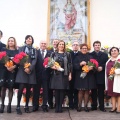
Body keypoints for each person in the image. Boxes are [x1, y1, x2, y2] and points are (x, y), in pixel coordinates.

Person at [15, 35, 37, 115]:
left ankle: (27, 106)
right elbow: (18, 58)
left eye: (30, 38)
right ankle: (18, 106)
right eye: (27, 38)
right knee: (20, 89)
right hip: (22, 71)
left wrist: (30, 68)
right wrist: (25, 67)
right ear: (25, 40)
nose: (28, 39)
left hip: (30, 72)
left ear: (32, 40)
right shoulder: (21, 48)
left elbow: (35, 60)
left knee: (28, 90)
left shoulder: (34, 50)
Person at [50, 40, 72, 113]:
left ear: (64, 46)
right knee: (56, 91)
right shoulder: (53, 53)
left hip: (64, 74)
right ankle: (57, 106)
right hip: (56, 74)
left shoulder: (67, 54)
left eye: (63, 44)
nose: (61, 45)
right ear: (57, 45)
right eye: (60, 44)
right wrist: (52, 67)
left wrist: (70, 74)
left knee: (62, 90)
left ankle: (60, 107)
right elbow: (50, 63)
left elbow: (70, 64)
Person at [74, 44, 96, 112]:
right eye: (83, 48)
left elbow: (95, 65)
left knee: (87, 91)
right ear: (80, 49)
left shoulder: (91, 56)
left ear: (87, 49)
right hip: (80, 76)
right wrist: (80, 64)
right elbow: (74, 66)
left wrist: (92, 68)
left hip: (89, 76)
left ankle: (86, 106)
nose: (84, 49)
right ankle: (79, 106)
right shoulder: (77, 57)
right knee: (80, 91)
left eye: (86, 48)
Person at [0, 37, 18, 113]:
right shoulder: (4, 50)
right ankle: (2, 105)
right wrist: (7, 66)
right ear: (8, 42)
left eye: (12, 41)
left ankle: (9, 105)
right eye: (9, 41)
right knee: (3, 88)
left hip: (12, 71)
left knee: (11, 88)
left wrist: (13, 66)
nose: (10, 42)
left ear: (14, 42)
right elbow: (1, 60)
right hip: (4, 71)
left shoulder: (17, 51)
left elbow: (19, 62)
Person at [90, 41, 108, 112]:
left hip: (101, 75)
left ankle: (101, 107)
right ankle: (94, 106)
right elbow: (89, 64)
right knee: (93, 92)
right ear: (93, 46)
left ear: (100, 46)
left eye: (98, 45)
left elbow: (106, 63)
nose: (97, 46)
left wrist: (102, 67)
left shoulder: (104, 55)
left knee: (101, 92)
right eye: (96, 45)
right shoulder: (90, 54)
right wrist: (94, 67)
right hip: (93, 75)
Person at [105, 47, 120, 113]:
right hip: (110, 79)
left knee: (118, 94)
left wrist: (115, 71)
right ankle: (113, 107)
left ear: (118, 52)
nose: (113, 52)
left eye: (115, 51)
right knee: (112, 94)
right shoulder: (109, 60)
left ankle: (118, 108)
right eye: (112, 51)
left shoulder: (119, 60)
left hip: (117, 79)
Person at [40, 40, 52, 112]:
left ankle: (45, 105)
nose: (43, 45)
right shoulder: (36, 52)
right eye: (42, 43)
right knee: (36, 90)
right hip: (37, 75)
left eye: (45, 43)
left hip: (46, 75)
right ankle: (35, 105)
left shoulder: (50, 53)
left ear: (46, 45)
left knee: (46, 91)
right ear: (40, 44)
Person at [68, 41, 80, 109]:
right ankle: (70, 105)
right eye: (74, 45)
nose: (75, 46)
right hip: (70, 74)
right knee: (70, 90)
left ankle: (76, 105)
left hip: (77, 75)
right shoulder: (69, 53)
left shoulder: (80, 54)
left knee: (76, 90)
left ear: (78, 46)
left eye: (77, 45)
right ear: (72, 46)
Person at [48, 39, 59, 109]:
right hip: (50, 73)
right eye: (54, 42)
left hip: (58, 73)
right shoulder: (49, 51)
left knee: (57, 89)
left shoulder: (61, 51)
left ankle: (57, 103)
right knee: (50, 89)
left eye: (56, 42)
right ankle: (50, 103)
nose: (55, 43)